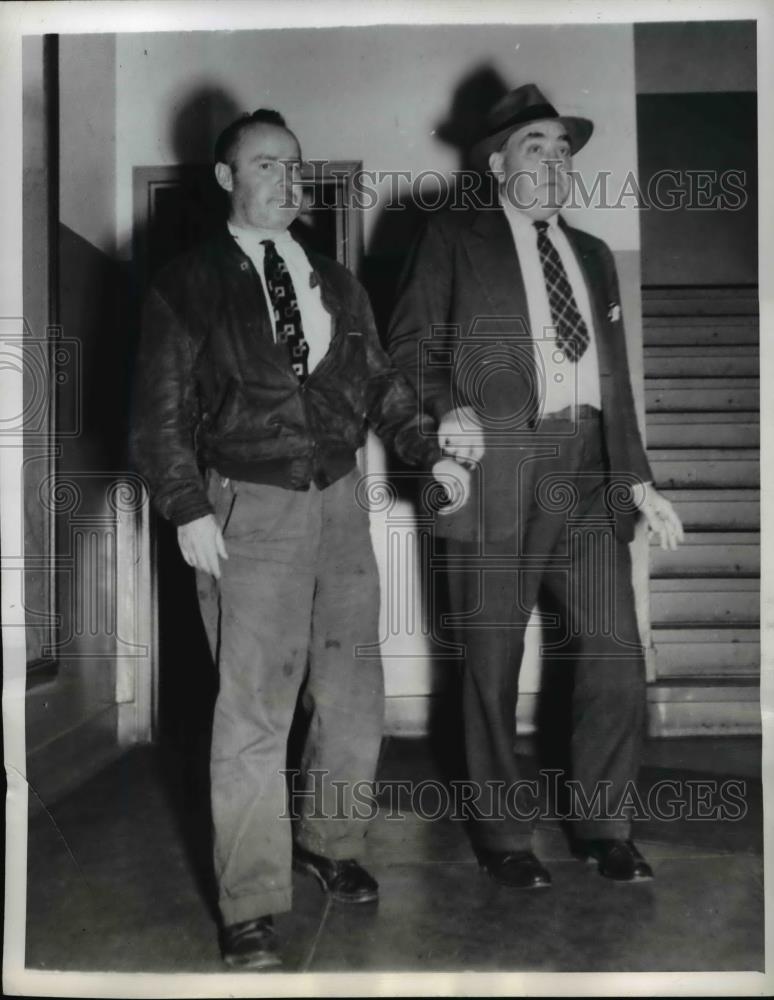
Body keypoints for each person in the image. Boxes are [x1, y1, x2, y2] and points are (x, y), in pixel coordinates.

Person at [131, 108, 458, 970]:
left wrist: (429, 453)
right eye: (265, 164)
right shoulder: (187, 282)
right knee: (254, 713)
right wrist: (187, 508)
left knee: (353, 695)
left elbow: (381, 386)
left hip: (341, 503)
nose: (286, 179)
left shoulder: (337, 281)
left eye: (294, 164)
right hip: (249, 508)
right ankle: (248, 902)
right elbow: (158, 415)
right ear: (225, 179)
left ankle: (329, 841)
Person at [388, 84, 684, 890]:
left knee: (614, 650)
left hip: (589, 468)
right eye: (535, 147)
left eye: (563, 150)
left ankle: (603, 823)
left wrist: (640, 480)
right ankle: (502, 834)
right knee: (490, 657)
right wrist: (446, 411)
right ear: (495, 164)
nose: (554, 163)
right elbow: (408, 347)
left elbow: (614, 379)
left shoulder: (589, 254)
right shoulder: (452, 236)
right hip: (497, 469)